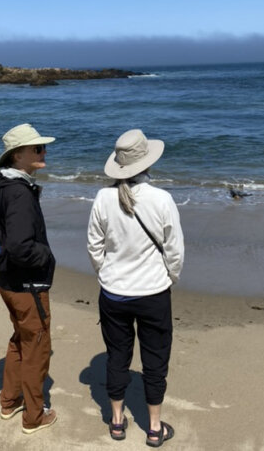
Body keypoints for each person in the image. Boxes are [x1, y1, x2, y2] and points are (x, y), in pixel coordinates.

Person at [87, 129, 184, 447]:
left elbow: (94, 246)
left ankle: (116, 422)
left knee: (117, 356)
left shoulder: (103, 198)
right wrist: (170, 277)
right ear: (147, 162)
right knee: (155, 360)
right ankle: (154, 428)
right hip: (153, 293)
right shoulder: (162, 199)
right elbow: (175, 250)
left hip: (113, 292)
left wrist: (106, 273)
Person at [0, 123, 57, 434]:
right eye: (37, 148)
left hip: (7, 280)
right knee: (37, 345)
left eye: (43, 147)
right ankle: (34, 417)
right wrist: (47, 257)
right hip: (27, 284)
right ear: (16, 156)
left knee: (20, 340)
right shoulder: (19, 192)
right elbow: (21, 247)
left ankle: (10, 402)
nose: (44, 152)